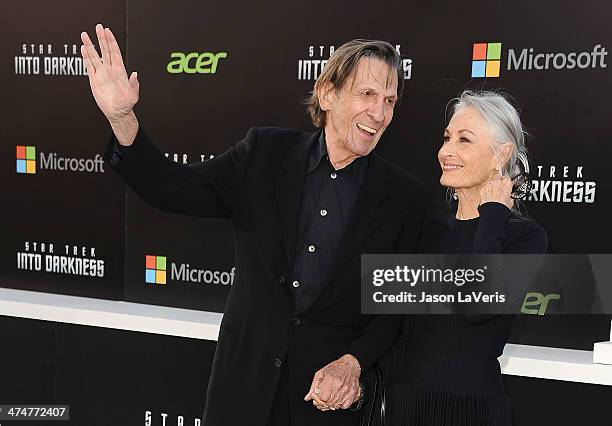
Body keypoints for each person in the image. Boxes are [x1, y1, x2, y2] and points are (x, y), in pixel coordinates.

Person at [80, 24, 429, 426]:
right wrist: (123, 118)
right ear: (328, 93)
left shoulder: (406, 199)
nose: (380, 113)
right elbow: (174, 188)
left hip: (324, 405)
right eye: (367, 94)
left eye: (389, 100)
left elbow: (395, 314)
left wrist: (353, 363)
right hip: (241, 392)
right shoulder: (263, 154)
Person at [380, 90, 548, 426]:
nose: (446, 151)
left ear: (502, 154)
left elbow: (478, 308)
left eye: (464, 140)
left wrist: (494, 214)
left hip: (474, 413)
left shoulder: (525, 238)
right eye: (447, 138)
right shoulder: (425, 232)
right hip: (406, 408)